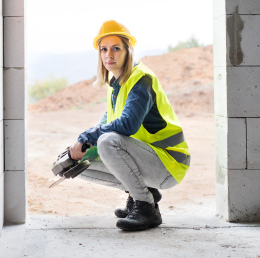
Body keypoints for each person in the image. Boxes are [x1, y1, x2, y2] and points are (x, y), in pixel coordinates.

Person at [69, 20, 191, 231]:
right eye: (104, 49)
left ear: (128, 51)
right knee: (76, 164)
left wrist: (88, 135)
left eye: (116, 48)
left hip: (169, 162)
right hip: (149, 159)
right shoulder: (116, 83)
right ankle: (144, 195)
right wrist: (82, 146)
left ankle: (146, 208)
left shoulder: (141, 79)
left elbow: (127, 125)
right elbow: (107, 122)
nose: (109, 54)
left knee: (107, 141)